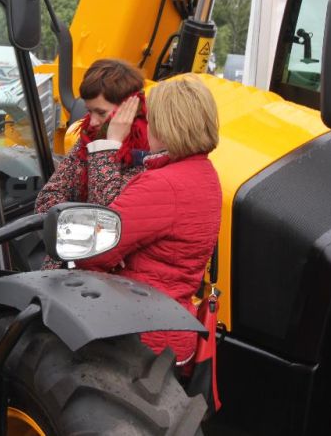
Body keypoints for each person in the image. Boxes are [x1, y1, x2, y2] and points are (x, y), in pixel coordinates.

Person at [74, 74, 222, 364]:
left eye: (152, 118)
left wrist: (109, 146)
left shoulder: (163, 186)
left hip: (139, 334)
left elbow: (94, 250)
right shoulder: (205, 174)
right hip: (171, 322)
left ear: (167, 124)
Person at [35, 59, 149, 215]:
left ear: (131, 108)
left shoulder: (147, 153)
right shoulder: (89, 138)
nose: (92, 122)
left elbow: (108, 213)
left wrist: (109, 146)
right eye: (89, 111)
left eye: (101, 113)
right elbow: (47, 199)